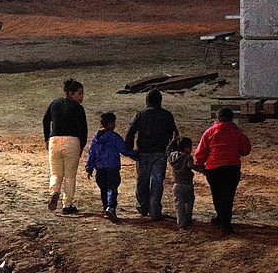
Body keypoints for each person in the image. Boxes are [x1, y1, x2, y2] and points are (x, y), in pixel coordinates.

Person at [194, 107, 251, 235]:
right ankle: (225, 222)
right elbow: (245, 150)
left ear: (217, 118)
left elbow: (200, 152)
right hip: (232, 168)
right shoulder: (236, 133)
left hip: (213, 168)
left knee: (217, 194)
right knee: (228, 196)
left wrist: (200, 164)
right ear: (232, 118)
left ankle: (221, 218)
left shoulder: (210, 132)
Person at [125, 89, 179, 220]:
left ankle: (142, 207)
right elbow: (175, 135)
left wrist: (130, 150)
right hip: (161, 152)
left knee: (142, 180)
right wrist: (174, 151)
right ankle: (155, 210)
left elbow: (130, 133)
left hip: (143, 152)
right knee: (157, 181)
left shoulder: (140, 115)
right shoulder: (166, 115)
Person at [42, 78, 88, 215]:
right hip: (71, 142)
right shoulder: (78, 108)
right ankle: (67, 205)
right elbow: (83, 129)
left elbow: (45, 120)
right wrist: (82, 145)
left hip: (54, 140)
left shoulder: (55, 103)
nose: (82, 96)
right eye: (79, 94)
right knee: (69, 176)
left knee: (55, 172)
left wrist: (46, 138)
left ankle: (54, 191)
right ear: (71, 94)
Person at [85, 112, 135, 223]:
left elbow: (91, 152)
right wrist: (136, 154)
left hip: (100, 168)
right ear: (110, 123)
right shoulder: (114, 137)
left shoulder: (96, 137)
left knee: (103, 189)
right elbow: (124, 149)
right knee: (112, 189)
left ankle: (105, 209)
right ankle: (111, 208)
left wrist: (89, 167)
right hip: (112, 168)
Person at [166, 136, 198, 230]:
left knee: (179, 204)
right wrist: (201, 169)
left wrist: (173, 140)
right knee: (189, 202)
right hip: (187, 184)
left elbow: (167, 150)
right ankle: (188, 219)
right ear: (187, 148)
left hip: (176, 184)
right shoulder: (188, 157)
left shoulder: (172, 156)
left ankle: (181, 223)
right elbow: (190, 166)